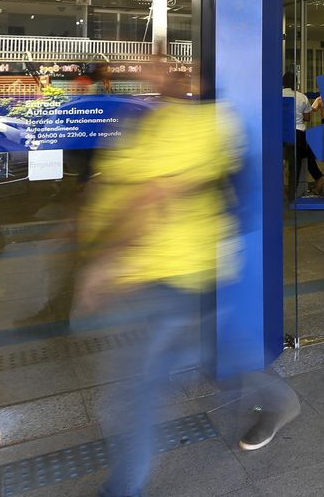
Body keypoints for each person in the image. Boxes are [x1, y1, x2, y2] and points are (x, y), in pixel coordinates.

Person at [76, 57, 300, 497]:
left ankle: (123, 488)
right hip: (162, 274)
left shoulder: (207, 125)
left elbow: (151, 196)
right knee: (216, 356)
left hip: (179, 275)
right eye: (156, 67)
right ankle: (279, 400)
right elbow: (117, 188)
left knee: (137, 390)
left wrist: (102, 263)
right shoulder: (148, 123)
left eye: (175, 69)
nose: (159, 72)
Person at [283, 71, 324, 198]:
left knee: (306, 152)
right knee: (296, 164)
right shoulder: (302, 97)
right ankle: (292, 194)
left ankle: (319, 178)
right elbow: (307, 118)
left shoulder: (276, 95)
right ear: (295, 83)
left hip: (281, 134)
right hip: (297, 134)